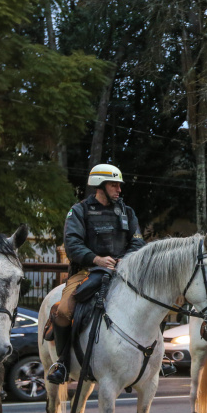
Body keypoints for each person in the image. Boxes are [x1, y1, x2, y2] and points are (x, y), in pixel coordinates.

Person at [47, 164, 146, 385]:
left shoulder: (127, 212)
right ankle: (62, 363)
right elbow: (72, 245)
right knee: (63, 311)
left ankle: (156, 357)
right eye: (114, 185)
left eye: (119, 185)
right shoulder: (79, 211)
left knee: (152, 300)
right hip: (86, 271)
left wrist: (125, 259)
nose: (119, 189)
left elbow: (138, 242)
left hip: (123, 272)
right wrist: (96, 259)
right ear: (99, 186)